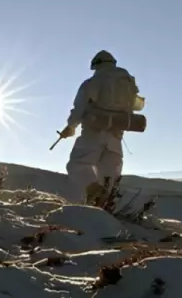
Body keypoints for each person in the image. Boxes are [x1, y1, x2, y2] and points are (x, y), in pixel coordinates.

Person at [59, 50, 143, 206]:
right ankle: (103, 207)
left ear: (96, 64)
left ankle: (92, 192)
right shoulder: (128, 84)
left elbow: (79, 108)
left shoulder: (92, 82)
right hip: (116, 136)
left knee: (77, 165)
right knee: (109, 176)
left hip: (93, 132)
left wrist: (70, 126)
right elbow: (136, 106)